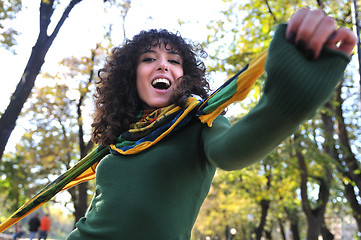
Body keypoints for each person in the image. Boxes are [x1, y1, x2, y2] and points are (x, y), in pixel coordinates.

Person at [66, 8, 357, 240]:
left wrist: (284, 104)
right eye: (149, 58)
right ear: (131, 76)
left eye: (174, 60)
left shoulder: (200, 121)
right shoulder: (119, 139)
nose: (163, 64)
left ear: (185, 75)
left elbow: (230, 153)